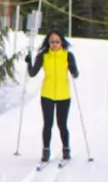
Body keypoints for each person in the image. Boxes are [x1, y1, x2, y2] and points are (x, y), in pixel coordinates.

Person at [26, 31, 79, 163]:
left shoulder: (68, 55)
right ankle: (45, 151)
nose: (54, 44)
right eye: (52, 42)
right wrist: (29, 62)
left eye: (57, 42)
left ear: (62, 42)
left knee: (62, 124)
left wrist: (73, 70)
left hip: (63, 95)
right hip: (47, 94)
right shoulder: (44, 56)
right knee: (48, 124)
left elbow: (75, 73)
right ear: (48, 43)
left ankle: (66, 149)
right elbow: (33, 73)